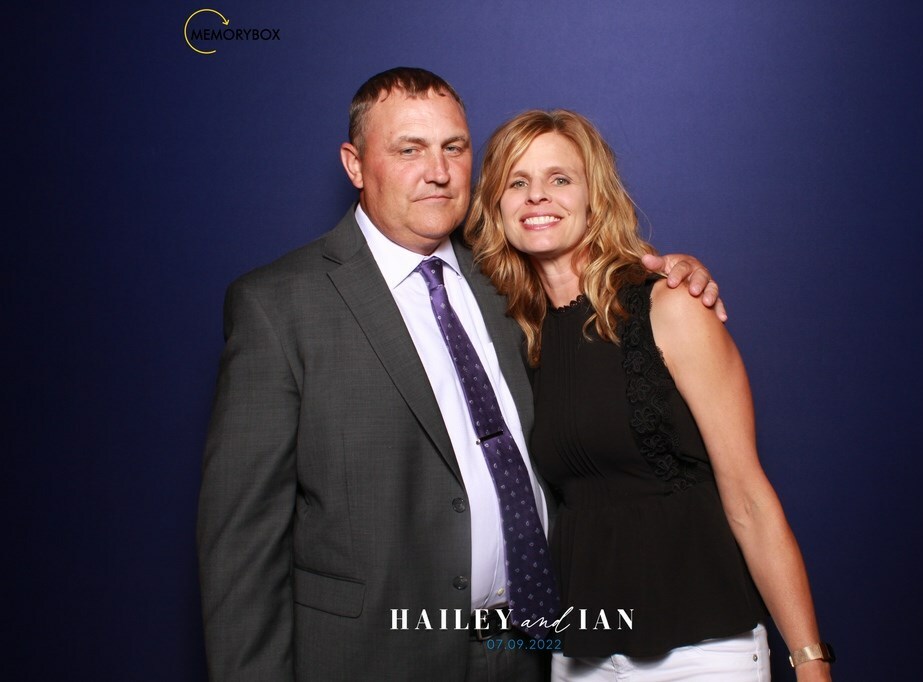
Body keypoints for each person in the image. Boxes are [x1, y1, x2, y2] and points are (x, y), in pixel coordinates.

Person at [197, 69, 721, 681]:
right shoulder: (280, 305)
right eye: (409, 150)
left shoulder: (508, 274)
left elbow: (595, 280)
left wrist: (668, 274)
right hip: (375, 658)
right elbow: (242, 542)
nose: (439, 172)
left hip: (532, 651)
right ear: (355, 165)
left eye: (454, 147)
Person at [465, 109, 832, 681]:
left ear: (594, 197)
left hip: (702, 651)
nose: (538, 196)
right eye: (517, 182)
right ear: (495, 206)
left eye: (560, 178)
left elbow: (749, 497)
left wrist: (810, 661)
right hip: (581, 655)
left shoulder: (671, 306)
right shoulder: (516, 333)